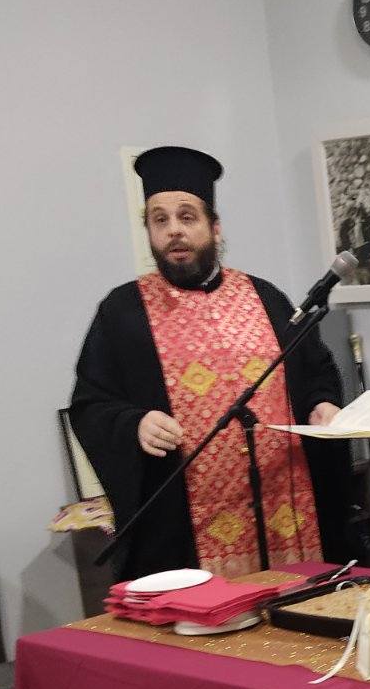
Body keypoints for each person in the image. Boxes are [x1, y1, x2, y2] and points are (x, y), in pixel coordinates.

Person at [70, 145, 352, 581]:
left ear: (214, 227)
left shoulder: (267, 298)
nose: (174, 231)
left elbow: (316, 370)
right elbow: (91, 404)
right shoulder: (123, 311)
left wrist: (322, 403)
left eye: (187, 217)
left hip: (285, 509)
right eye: (160, 220)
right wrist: (134, 423)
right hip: (183, 526)